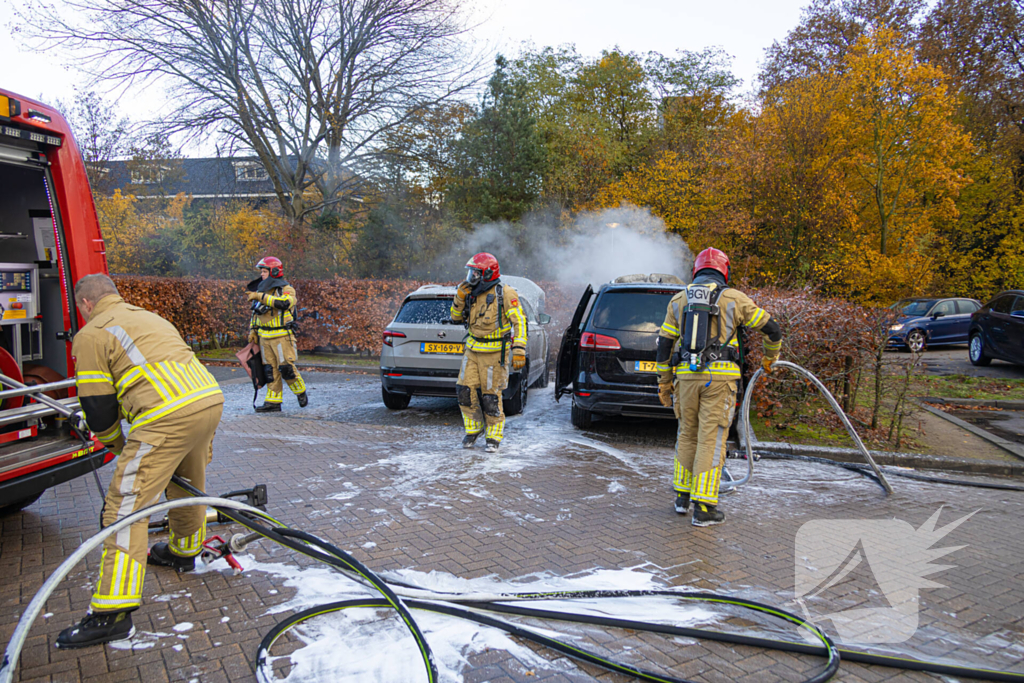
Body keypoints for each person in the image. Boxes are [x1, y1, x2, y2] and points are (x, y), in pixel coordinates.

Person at [57, 274, 224, 648]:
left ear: (85, 304)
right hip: (207, 401)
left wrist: (118, 445)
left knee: (124, 508)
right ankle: (184, 552)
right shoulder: (150, 317)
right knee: (186, 484)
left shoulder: (92, 334)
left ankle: (112, 614)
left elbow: (98, 409)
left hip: (165, 417)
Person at [655, 248, 783, 527]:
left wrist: (664, 382)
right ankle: (705, 507)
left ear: (696, 271)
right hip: (720, 381)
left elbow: (664, 344)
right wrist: (769, 358)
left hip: (685, 379)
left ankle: (682, 497)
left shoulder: (678, 300)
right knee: (711, 439)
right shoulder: (735, 299)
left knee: (687, 433)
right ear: (724, 271)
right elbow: (773, 329)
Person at [449, 253, 527, 453]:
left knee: (490, 397)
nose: (471, 277)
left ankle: (493, 437)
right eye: (470, 273)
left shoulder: (506, 294)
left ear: (488, 274)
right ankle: (473, 430)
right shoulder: (471, 293)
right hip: (472, 350)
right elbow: (456, 317)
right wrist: (459, 297)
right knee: (464, 391)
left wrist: (519, 349)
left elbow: (519, 321)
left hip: (494, 353)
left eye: (475, 273)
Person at [247, 256, 308, 412]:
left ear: (274, 271)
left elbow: (283, 303)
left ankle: (300, 391)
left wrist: (259, 296)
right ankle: (273, 402)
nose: (262, 274)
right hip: (264, 338)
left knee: (286, 368)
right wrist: (253, 330)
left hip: (282, 337)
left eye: (264, 271)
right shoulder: (261, 290)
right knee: (270, 370)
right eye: (261, 271)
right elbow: (255, 314)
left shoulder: (287, 290)